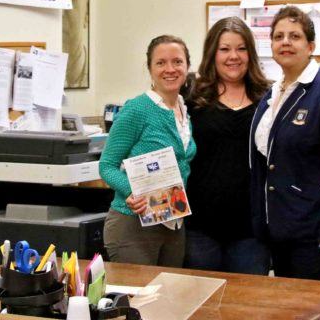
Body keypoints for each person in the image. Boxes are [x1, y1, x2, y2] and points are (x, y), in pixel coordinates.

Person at [249, 6, 320, 282]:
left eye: (295, 36)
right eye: (278, 36)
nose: (285, 42)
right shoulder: (273, 94)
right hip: (284, 231)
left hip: (319, 233)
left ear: (311, 46)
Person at [99, 35, 197, 267]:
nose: (170, 69)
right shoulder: (137, 109)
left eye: (177, 62)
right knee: (137, 301)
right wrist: (132, 191)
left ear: (187, 66)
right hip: (133, 225)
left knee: (168, 301)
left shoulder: (184, 109)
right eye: (161, 63)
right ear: (150, 69)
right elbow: (106, 165)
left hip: (173, 223)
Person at [184, 17, 271, 275]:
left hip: (251, 231)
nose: (234, 56)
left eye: (241, 48)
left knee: (248, 308)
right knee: (201, 308)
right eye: (225, 49)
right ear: (212, 53)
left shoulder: (268, 99)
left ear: (251, 54)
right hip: (199, 228)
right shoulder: (191, 97)